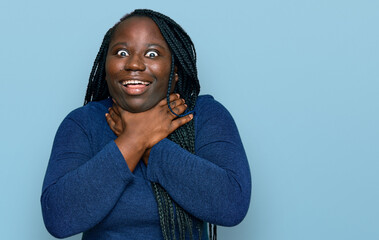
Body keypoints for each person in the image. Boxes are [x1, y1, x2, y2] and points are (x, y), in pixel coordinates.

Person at [41, 9, 251, 240]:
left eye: (152, 54)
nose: (134, 64)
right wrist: (134, 139)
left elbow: (231, 205)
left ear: (175, 69)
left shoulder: (205, 116)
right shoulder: (82, 123)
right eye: (121, 52)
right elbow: (59, 218)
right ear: (106, 66)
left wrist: (153, 146)